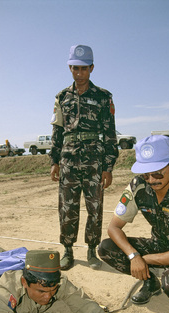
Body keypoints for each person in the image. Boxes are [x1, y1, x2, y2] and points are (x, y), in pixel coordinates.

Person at [98, 135, 169, 312]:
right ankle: (150, 283)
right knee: (106, 247)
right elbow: (114, 227)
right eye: (145, 174)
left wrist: (143, 260)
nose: (151, 180)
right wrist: (134, 256)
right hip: (158, 245)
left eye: (157, 173)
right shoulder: (138, 186)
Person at [49, 44, 118, 271]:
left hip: (94, 162)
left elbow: (109, 134)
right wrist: (54, 161)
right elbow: (57, 131)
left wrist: (108, 166)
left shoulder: (103, 97)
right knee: (67, 208)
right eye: (75, 68)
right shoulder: (61, 97)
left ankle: (91, 250)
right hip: (68, 161)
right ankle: (67, 250)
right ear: (70, 68)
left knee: (94, 207)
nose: (79, 73)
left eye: (84, 69)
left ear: (91, 68)